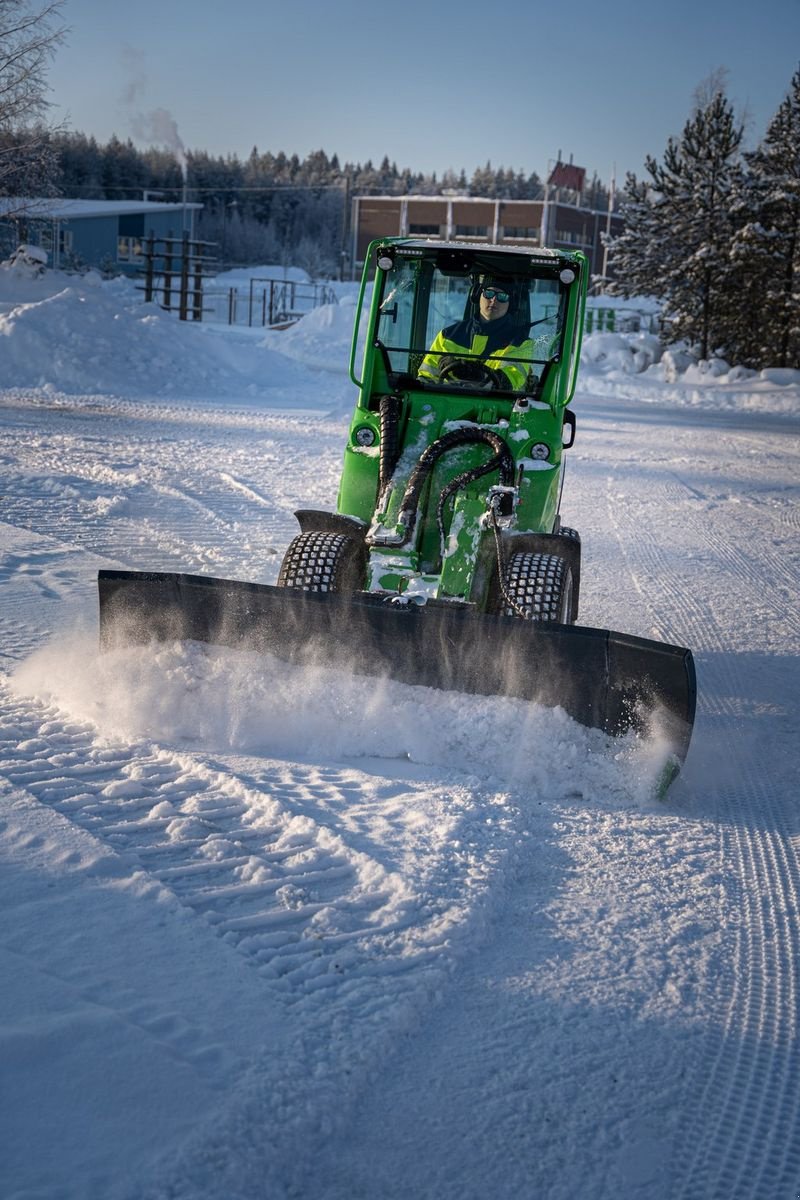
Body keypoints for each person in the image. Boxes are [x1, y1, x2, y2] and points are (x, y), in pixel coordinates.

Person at [417, 275, 534, 390]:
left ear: (511, 303)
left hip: (495, 407)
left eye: (502, 296)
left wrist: (472, 374)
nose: (493, 300)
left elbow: (509, 382)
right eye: (489, 293)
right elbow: (425, 378)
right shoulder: (447, 336)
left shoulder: (520, 343)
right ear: (477, 295)